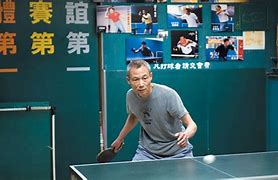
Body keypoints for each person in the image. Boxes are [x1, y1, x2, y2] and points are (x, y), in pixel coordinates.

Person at [111, 60, 197, 161]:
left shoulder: (168, 94)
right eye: (135, 79)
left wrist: (185, 134)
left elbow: (192, 125)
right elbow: (134, 116)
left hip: (178, 152)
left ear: (151, 76)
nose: (141, 84)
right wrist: (120, 138)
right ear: (128, 80)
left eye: (145, 78)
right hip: (147, 153)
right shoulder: (130, 95)